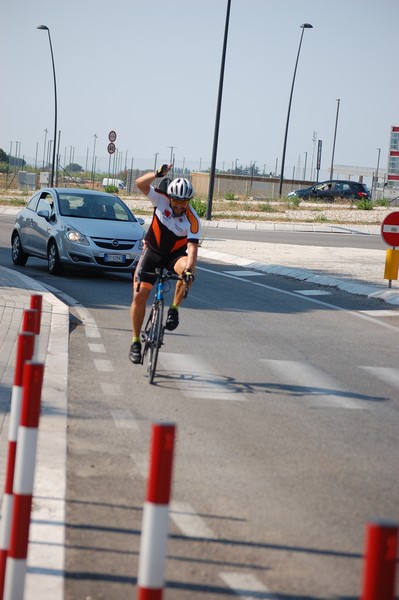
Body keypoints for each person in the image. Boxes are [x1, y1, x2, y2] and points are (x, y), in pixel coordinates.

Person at [129, 164, 201, 364]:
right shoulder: (160, 200)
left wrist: (188, 272)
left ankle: (174, 310)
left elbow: (193, 249)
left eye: (183, 204)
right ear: (170, 197)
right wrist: (157, 174)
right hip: (152, 252)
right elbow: (139, 184)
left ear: (188, 201)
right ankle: (135, 342)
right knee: (140, 296)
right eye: (176, 202)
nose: (178, 208)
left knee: (189, 269)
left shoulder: (193, 220)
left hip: (174, 257)